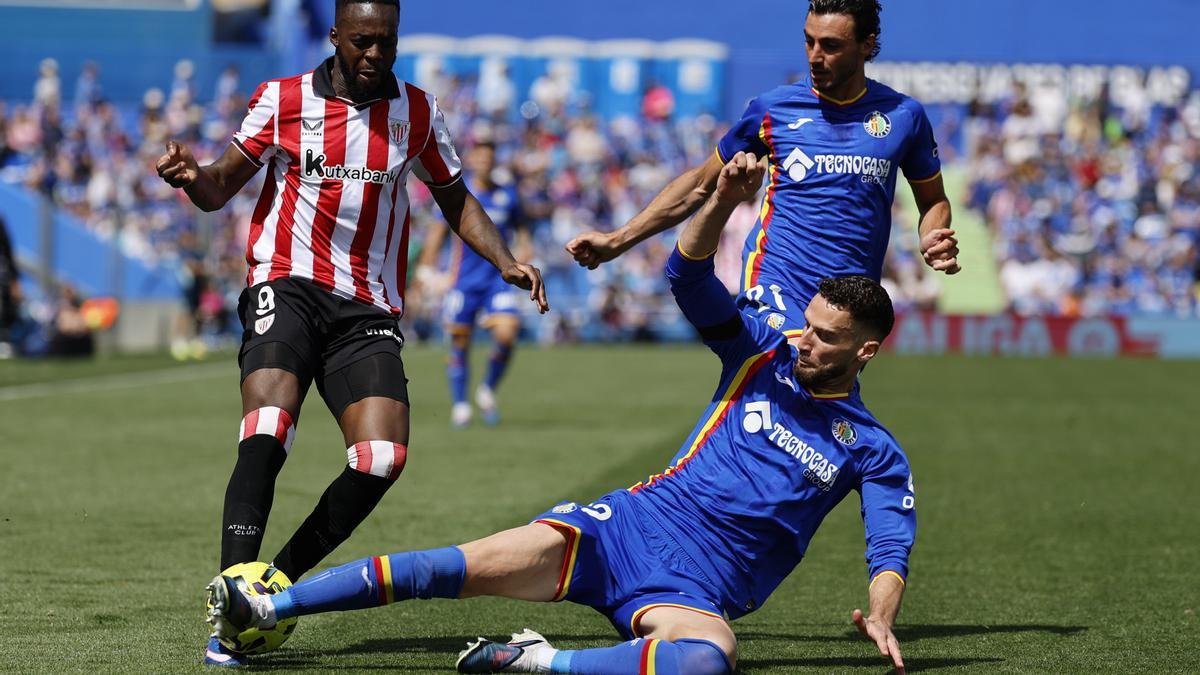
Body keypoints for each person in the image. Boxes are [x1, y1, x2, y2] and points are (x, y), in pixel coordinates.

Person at [208, 152, 915, 674]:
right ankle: (270, 605)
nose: (804, 340)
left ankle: (536, 661)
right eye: (807, 324)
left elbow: (889, 547)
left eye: (825, 336)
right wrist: (724, 200)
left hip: (693, 591)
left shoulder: (873, 449)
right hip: (622, 529)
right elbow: (688, 276)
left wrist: (882, 615)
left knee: (710, 658)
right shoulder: (761, 352)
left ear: (866, 351)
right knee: (456, 566)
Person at [153, 0, 549, 665]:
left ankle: (270, 591)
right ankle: (229, 611)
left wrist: (506, 260)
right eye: (363, 41)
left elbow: (454, 198)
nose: (374, 54)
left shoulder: (417, 112)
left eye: (386, 42)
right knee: (269, 425)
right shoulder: (282, 100)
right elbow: (220, 186)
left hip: (367, 308)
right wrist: (193, 179)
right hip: (287, 282)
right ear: (335, 36)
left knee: (381, 458)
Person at [567, 0, 959, 341]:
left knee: (814, 398)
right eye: (809, 41)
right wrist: (617, 240)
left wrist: (932, 235)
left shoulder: (904, 117)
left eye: (831, 45)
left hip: (849, 303)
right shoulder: (772, 110)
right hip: (777, 284)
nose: (814, 56)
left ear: (867, 45)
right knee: (782, 368)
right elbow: (699, 185)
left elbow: (933, 201)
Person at [414, 140, 530, 427]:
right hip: (463, 280)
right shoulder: (459, 193)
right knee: (460, 341)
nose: (484, 163)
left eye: (489, 159)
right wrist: (426, 270)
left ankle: (487, 389)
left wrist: (524, 257)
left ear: (494, 162)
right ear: (472, 161)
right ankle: (461, 405)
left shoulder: (507, 196)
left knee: (507, 333)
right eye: (480, 158)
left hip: (498, 280)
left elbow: (523, 233)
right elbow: (437, 234)